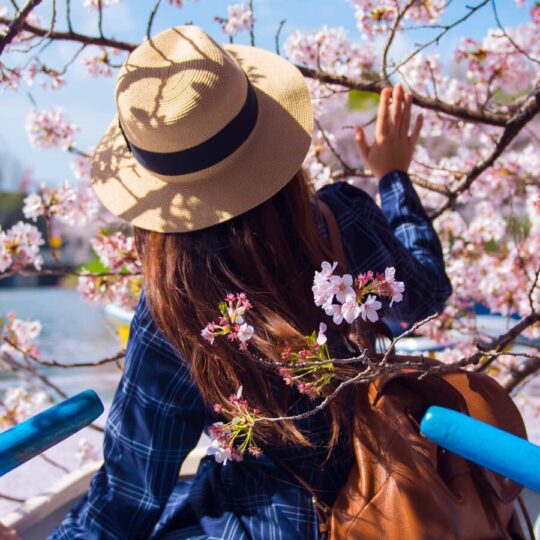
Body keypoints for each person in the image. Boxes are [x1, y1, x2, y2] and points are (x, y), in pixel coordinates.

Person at [46, 25, 451, 539]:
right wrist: (394, 177)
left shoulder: (177, 306)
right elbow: (426, 294)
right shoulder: (342, 221)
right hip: (385, 499)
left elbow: (130, 492)